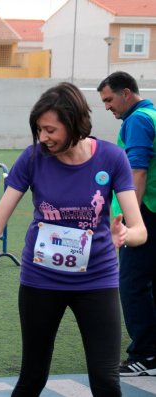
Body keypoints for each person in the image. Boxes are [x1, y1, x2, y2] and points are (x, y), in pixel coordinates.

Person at [0, 82, 147, 396]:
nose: (44, 138)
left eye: (51, 130)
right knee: (32, 378)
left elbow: (139, 230)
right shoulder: (33, 158)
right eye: (40, 130)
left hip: (97, 281)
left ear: (75, 122)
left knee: (106, 381)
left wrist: (125, 234)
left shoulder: (112, 158)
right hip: (41, 281)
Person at [97, 71, 156, 376]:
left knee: (132, 283)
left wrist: (133, 224)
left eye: (109, 99)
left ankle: (145, 354)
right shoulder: (153, 114)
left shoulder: (138, 120)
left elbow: (139, 172)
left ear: (126, 93)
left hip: (146, 213)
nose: (107, 107)